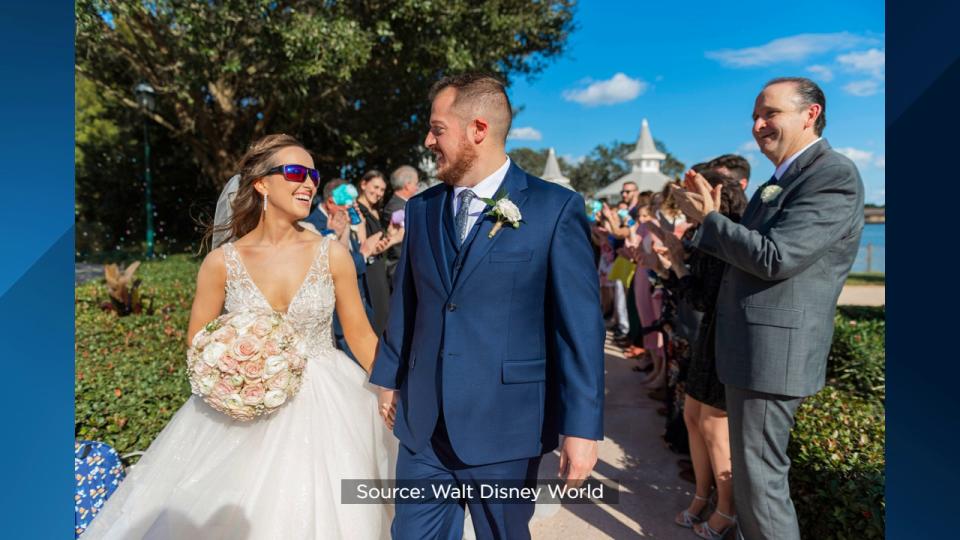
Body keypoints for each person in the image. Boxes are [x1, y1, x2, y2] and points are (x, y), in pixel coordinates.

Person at [82, 134, 395, 539]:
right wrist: (240, 377)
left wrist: (391, 386)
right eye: (296, 172)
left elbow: (360, 335)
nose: (310, 183)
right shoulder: (220, 263)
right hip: (244, 411)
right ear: (261, 184)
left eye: (314, 175)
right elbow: (199, 345)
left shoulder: (331, 252)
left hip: (331, 404)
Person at [370, 73, 605, 540]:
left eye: (437, 129)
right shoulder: (422, 209)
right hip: (423, 425)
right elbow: (408, 302)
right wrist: (388, 377)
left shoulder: (554, 208)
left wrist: (583, 427)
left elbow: (579, 328)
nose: (427, 140)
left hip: (507, 426)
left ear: (478, 128)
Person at [671, 77, 864, 540]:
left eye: (770, 114)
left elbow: (777, 258)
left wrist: (711, 221)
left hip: (772, 356)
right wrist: (706, 227)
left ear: (810, 114)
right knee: (755, 482)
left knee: (761, 485)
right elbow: (747, 255)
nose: (758, 125)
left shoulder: (832, 174)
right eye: (756, 116)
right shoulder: (776, 183)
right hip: (749, 352)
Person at [656, 172, 748, 539]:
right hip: (707, 336)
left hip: (726, 339)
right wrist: (675, 263)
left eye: (687, 195)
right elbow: (691, 294)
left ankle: (727, 510)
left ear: (715, 195)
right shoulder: (701, 234)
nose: (680, 202)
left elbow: (700, 298)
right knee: (693, 416)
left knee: (713, 425)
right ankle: (700, 495)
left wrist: (678, 263)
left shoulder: (725, 235)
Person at [304, 178, 384, 362]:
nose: (352, 207)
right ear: (331, 202)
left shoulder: (344, 219)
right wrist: (363, 254)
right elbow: (332, 268)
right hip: (336, 312)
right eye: (348, 203)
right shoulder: (312, 225)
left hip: (359, 298)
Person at [356, 169, 404, 335]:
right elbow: (364, 247)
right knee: (375, 317)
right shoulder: (357, 210)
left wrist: (389, 234)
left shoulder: (375, 211)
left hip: (378, 268)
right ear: (363, 184)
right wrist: (395, 239)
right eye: (375, 187)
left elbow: (377, 244)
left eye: (382, 190)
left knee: (383, 316)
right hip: (367, 271)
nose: (378, 193)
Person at [382, 165, 420, 286]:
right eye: (416, 183)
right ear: (407, 185)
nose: (417, 187)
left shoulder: (404, 204)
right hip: (399, 267)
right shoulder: (395, 207)